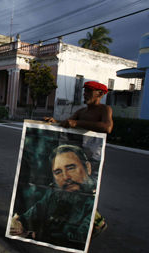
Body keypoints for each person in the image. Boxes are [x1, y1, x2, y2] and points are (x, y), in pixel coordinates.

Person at [43, 81, 111, 237]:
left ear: (99, 94)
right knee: (77, 192)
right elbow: (68, 123)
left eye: (88, 91)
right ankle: (95, 222)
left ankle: (96, 222)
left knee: (86, 192)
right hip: (78, 157)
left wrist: (78, 123)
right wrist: (55, 122)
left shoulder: (105, 109)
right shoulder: (81, 111)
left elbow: (107, 127)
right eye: (84, 91)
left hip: (92, 158)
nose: (84, 93)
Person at [10, 145, 97, 249]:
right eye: (58, 172)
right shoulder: (54, 194)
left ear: (87, 167)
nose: (65, 177)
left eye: (71, 168)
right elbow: (33, 214)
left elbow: (79, 238)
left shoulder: (93, 202)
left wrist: (33, 235)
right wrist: (17, 222)